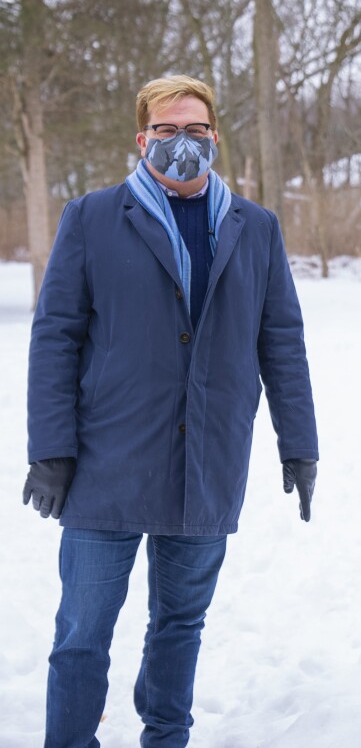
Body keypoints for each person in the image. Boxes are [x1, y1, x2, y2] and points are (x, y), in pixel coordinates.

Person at [25, 74, 319, 747]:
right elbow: (56, 337)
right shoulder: (92, 217)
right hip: (108, 463)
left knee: (180, 622)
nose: (181, 141)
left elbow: (282, 342)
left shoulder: (256, 227)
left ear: (215, 137)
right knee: (82, 632)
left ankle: (166, 736)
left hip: (206, 461)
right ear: (142, 138)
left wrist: (298, 443)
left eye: (195, 129)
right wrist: (51, 449)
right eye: (166, 129)